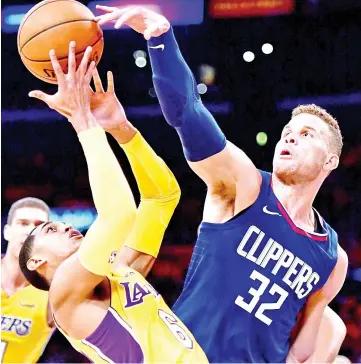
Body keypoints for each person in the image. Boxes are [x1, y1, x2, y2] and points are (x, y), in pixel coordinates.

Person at [95, 7, 349, 363]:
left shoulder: (332, 257)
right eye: (287, 133)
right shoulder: (244, 186)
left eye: (306, 135)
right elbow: (189, 115)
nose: (289, 139)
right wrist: (161, 39)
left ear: (330, 161)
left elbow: (307, 339)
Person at [20, 41, 208, 363]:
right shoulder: (64, 293)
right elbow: (119, 215)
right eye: (51, 229)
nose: (65, 226)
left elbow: (162, 196)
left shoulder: (120, 269)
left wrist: (122, 131)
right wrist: (83, 123)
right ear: (36, 263)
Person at [1, 198, 54, 363]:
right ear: (7, 232)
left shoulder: (53, 292)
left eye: (39, 225)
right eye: (23, 223)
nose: (31, 230)